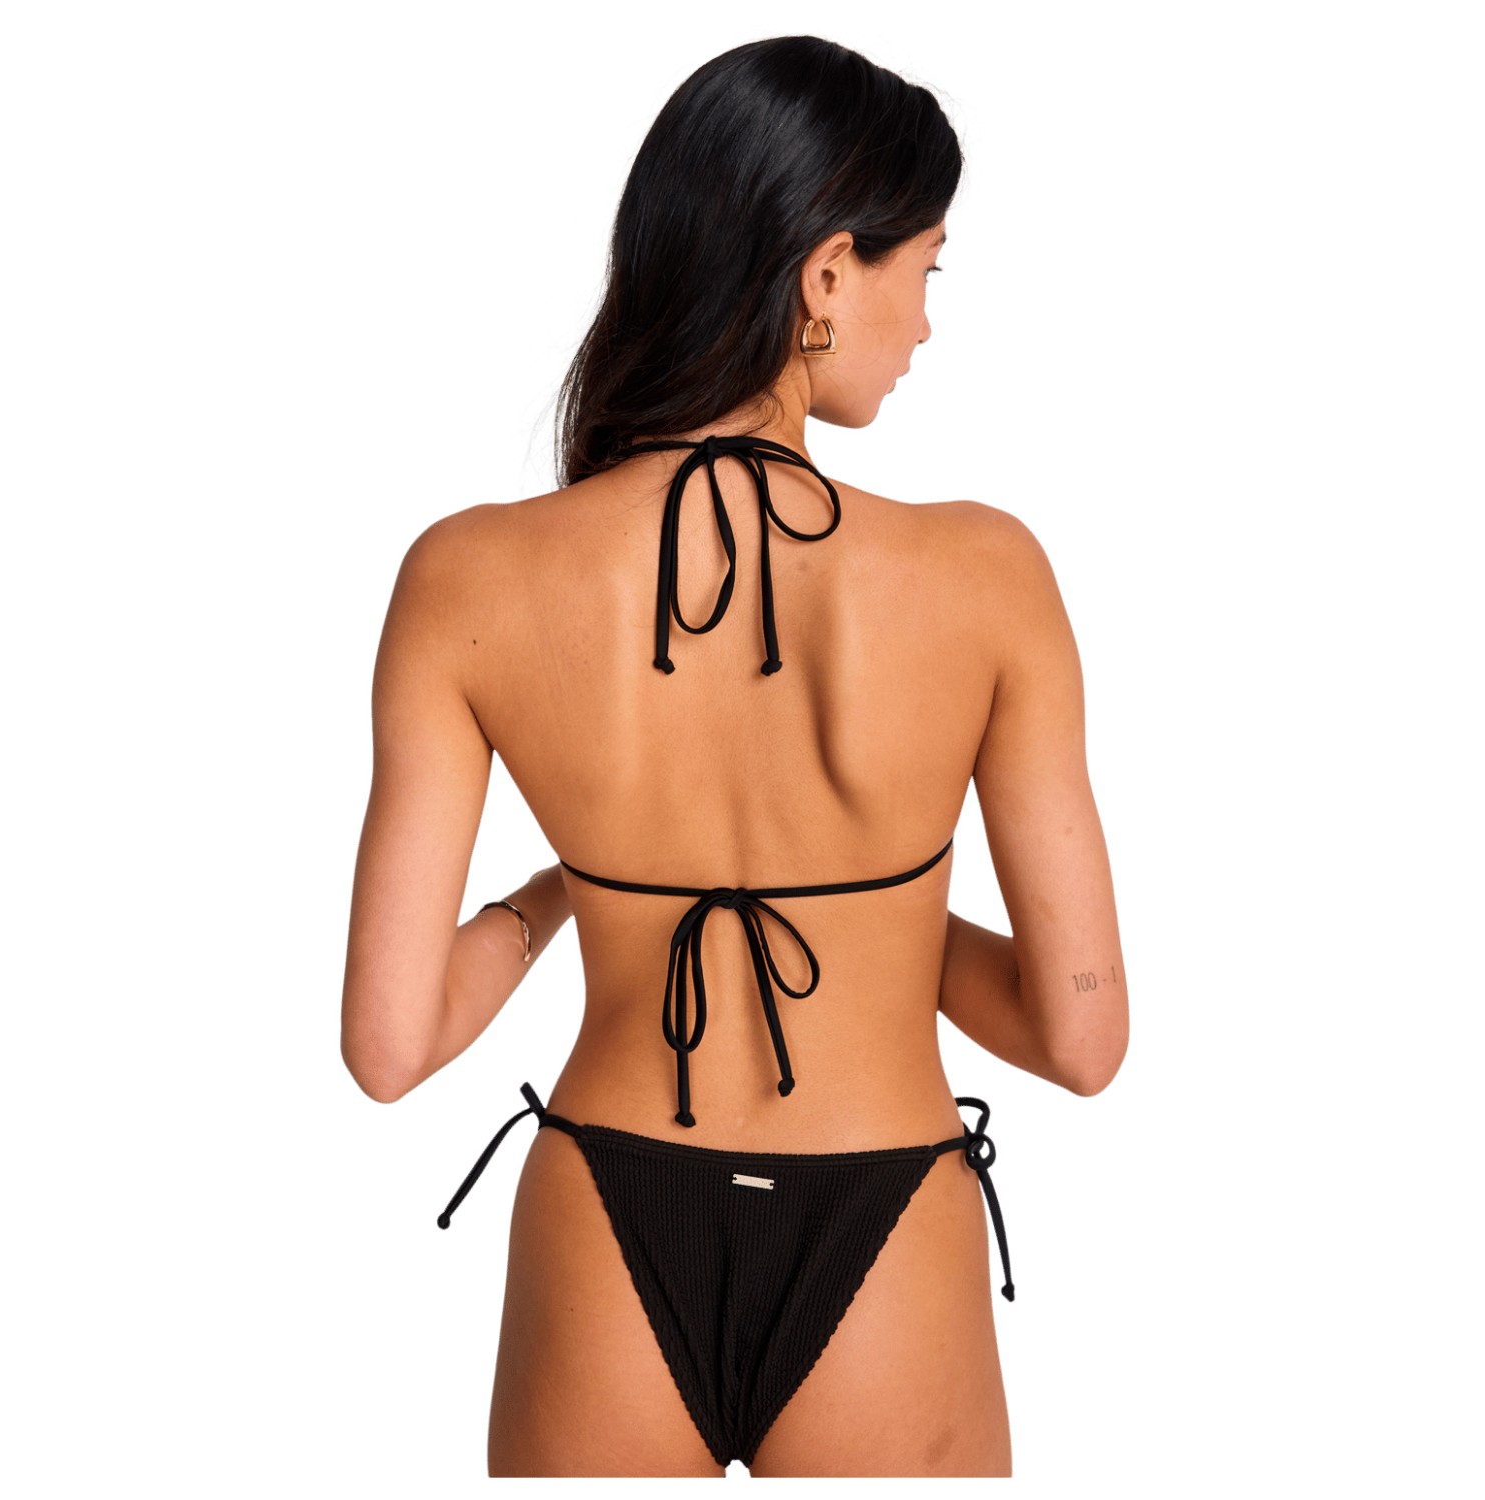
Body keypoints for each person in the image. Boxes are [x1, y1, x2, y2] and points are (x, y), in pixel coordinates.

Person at [340, 34, 1127, 1479]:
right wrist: (883, 924)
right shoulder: (987, 576)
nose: (926, 324)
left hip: (603, 1214)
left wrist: (566, 895)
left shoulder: (466, 577)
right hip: (888, 1219)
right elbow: (1080, 1038)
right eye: (925, 270)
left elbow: (391, 1046)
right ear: (827, 276)